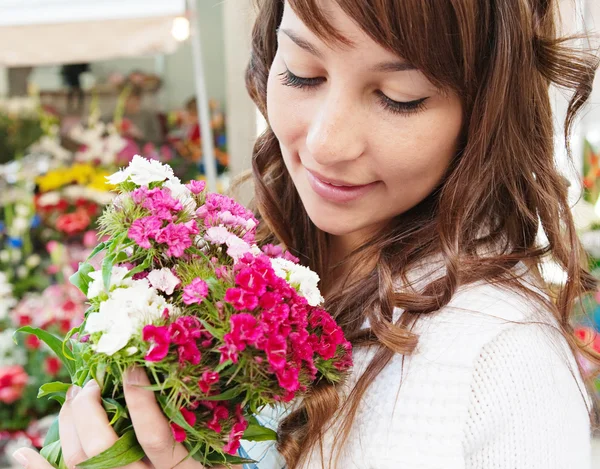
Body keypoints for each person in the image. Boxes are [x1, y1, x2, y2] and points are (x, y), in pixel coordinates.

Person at [12, 0, 600, 468]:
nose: (325, 144)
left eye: (400, 98)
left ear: (484, 111)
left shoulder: (501, 360)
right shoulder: (237, 262)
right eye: (301, 72)